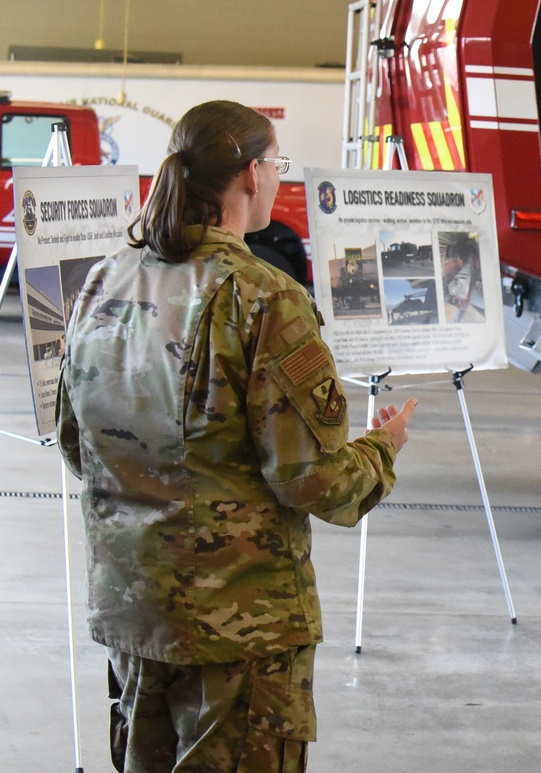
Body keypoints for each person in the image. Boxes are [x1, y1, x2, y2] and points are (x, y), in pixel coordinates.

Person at [56, 100, 418, 772]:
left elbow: (78, 445)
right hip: (238, 628)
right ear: (252, 174)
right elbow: (313, 479)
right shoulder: (265, 299)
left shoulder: (102, 283)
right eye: (276, 164)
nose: (278, 178)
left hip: (134, 611)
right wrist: (382, 449)